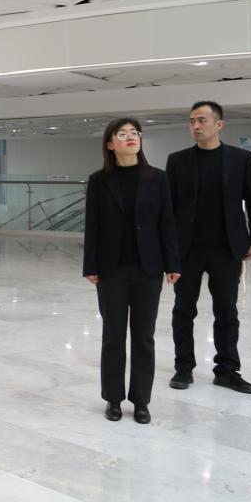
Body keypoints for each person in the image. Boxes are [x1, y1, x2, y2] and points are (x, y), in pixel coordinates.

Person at [83, 118, 181, 424]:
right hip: (110, 269)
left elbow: (167, 223)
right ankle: (113, 398)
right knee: (113, 335)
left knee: (144, 336)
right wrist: (90, 265)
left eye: (134, 133)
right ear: (110, 144)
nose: (131, 137)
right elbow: (92, 226)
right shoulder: (99, 180)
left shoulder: (158, 178)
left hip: (148, 268)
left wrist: (173, 263)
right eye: (122, 133)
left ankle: (141, 401)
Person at [165, 101, 251, 394]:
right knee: (183, 310)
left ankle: (227, 370)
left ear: (218, 124)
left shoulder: (240, 158)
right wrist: (167, 249)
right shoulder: (178, 161)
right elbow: (168, 209)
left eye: (202, 120)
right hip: (187, 249)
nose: (196, 126)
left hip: (226, 248)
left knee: (227, 311)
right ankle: (184, 367)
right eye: (192, 121)